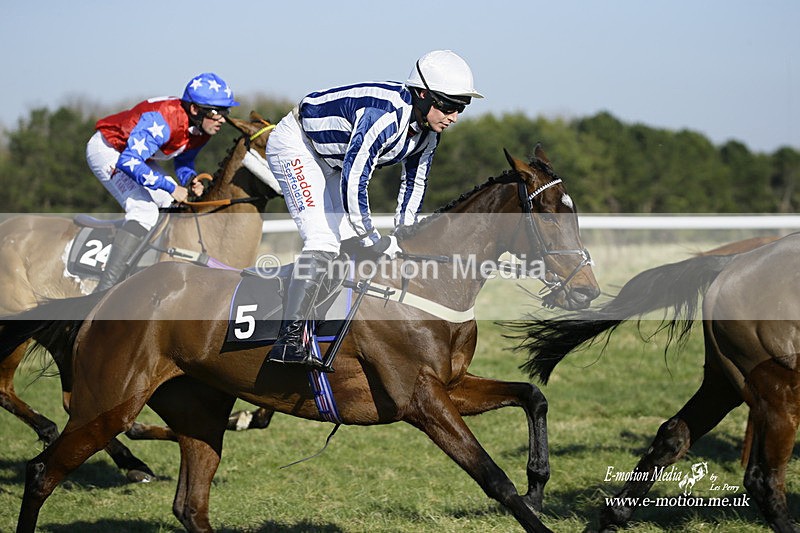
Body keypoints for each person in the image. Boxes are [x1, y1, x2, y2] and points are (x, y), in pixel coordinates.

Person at [265, 49, 483, 367]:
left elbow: (413, 186)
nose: (454, 117)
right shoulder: (385, 117)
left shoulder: (429, 136)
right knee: (323, 241)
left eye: (461, 108)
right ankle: (288, 340)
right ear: (422, 95)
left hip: (332, 161)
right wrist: (372, 238)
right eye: (448, 106)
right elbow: (356, 181)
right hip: (298, 145)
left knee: (348, 245)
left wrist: (405, 237)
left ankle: (327, 328)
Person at [86, 72, 239, 291]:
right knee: (144, 210)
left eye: (226, 111)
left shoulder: (202, 128)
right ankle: (106, 288)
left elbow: (184, 161)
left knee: (170, 202)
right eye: (216, 112)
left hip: (136, 157)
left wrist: (189, 179)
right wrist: (171, 186)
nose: (222, 119)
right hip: (110, 150)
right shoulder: (162, 120)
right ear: (195, 109)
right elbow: (129, 162)